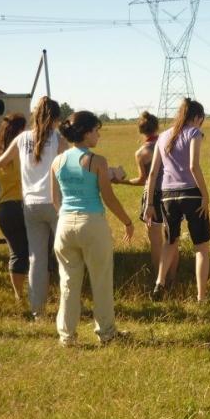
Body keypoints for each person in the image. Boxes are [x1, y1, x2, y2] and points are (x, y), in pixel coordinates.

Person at [51, 111, 135, 346]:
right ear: (86, 133)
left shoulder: (57, 161)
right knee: (101, 280)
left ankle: (67, 336)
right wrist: (127, 222)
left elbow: (54, 199)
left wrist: (66, 217)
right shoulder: (97, 161)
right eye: (96, 131)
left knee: (68, 283)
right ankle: (106, 333)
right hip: (92, 223)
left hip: (64, 224)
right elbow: (108, 197)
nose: (98, 135)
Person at [0, 96, 67, 319]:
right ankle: (68, 305)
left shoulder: (22, 139)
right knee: (64, 255)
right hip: (55, 203)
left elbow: (0, 162)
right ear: (55, 118)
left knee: (36, 259)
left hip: (30, 205)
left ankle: (37, 311)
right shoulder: (58, 140)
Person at [145, 98, 210, 302]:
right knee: (201, 247)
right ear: (198, 118)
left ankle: (160, 282)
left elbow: (153, 172)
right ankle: (201, 296)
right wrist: (205, 195)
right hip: (191, 192)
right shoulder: (194, 133)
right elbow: (194, 166)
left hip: (167, 195)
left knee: (170, 241)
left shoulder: (163, 136)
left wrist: (149, 204)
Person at [114, 111, 176, 281]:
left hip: (152, 196)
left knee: (155, 241)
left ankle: (159, 278)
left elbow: (143, 180)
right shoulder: (170, 143)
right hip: (172, 191)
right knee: (172, 238)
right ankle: (173, 276)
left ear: (141, 131)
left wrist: (121, 182)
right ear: (157, 127)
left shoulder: (141, 153)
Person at [0, 113, 29, 301]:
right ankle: (39, 293)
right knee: (37, 252)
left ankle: (18, 295)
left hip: (6, 208)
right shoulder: (25, 154)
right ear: (21, 131)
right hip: (25, 206)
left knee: (16, 253)